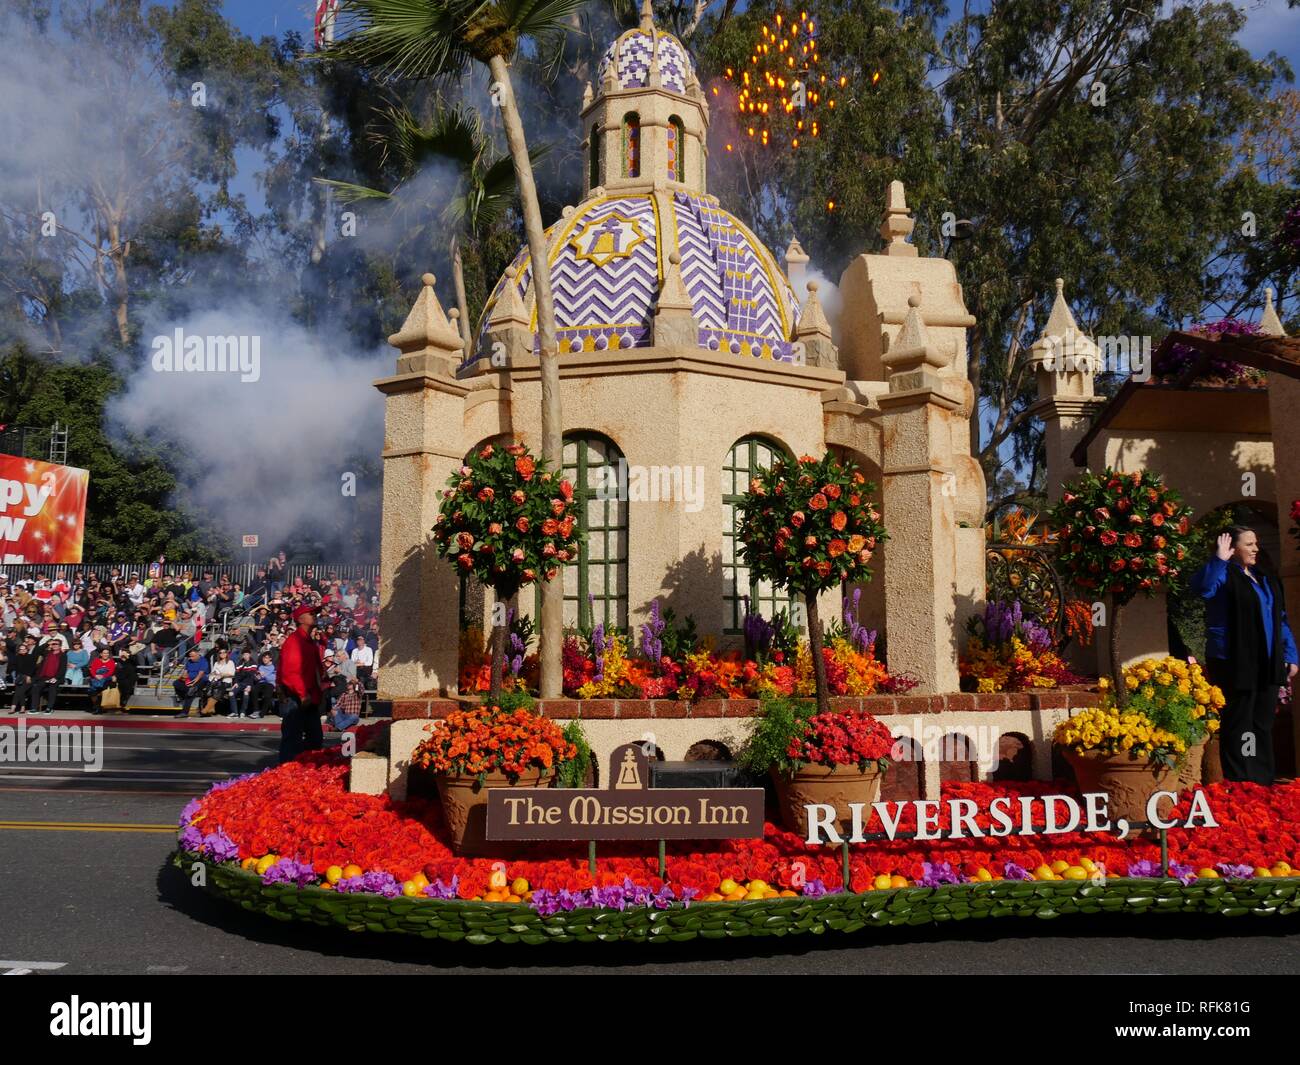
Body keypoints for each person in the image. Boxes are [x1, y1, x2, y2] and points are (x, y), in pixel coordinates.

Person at [1192, 526, 1300, 784]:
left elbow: (1280, 619)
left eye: (1256, 543)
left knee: (1262, 722)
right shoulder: (1222, 575)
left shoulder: (1263, 578)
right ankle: (1240, 781)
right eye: (1249, 544)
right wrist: (1219, 559)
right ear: (1232, 548)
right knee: (1239, 721)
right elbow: (1202, 588)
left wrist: (1291, 654)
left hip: (1267, 661)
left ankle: (1262, 780)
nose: (1255, 548)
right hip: (1234, 661)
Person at [277, 603, 325, 762]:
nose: (314, 616)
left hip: (308, 697)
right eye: (311, 614)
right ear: (300, 619)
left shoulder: (308, 642)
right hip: (298, 698)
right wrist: (303, 694)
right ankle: (286, 774)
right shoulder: (295, 641)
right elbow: (290, 673)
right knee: (292, 740)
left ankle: (304, 772)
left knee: (314, 739)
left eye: (315, 613)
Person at [174, 647, 210, 717]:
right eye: (190, 656)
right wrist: (182, 677)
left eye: (192, 656)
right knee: (176, 683)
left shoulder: (203, 661)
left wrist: (193, 683)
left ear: (197, 655)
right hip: (190, 679)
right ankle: (182, 696)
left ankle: (184, 712)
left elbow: (200, 674)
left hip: (200, 680)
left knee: (191, 692)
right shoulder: (189, 661)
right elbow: (185, 672)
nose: (191, 658)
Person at [87, 647, 117, 714]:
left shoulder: (111, 662)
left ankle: (99, 708)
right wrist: (96, 676)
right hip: (96, 678)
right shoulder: (96, 660)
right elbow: (92, 670)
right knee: (92, 691)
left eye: (107, 653)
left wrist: (103, 676)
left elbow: (111, 672)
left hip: (106, 678)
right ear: (101, 654)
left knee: (100, 688)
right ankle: (97, 707)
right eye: (104, 653)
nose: (106, 654)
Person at [231, 648, 260, 718]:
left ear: (249, 655)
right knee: (231, 693)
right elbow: (237, 675)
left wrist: (249, 685)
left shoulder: (253, 663)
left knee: (246, 693)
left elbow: (252, 676)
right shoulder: (240, 663)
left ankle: (242, 712)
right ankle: (235, 712)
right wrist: (236, 682)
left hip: (249, 683)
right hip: (240, 683)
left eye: (247, 654)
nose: (245, 656)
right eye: (244, 655)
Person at [253, 651, 276, 718]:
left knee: (267, 696)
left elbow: (272, 678)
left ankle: (262, 713)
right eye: (264, 658)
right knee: (254, 690)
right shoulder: (261, 667)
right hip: (261, 683)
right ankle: (256, 710)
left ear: (270, 659)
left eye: (266, 658)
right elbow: (258, 678)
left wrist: (264, 675)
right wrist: (257, 678)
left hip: (270, 683)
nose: (264, 659)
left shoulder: (273, 667)